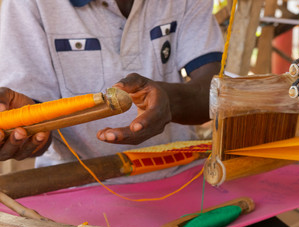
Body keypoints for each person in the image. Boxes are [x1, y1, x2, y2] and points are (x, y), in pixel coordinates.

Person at [0, 0, 223, 181]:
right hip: (74, 183)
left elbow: (215, 93)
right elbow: (36, 131)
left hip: (180, 172)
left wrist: (169, 102)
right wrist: (28, 133)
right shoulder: (28, 4)